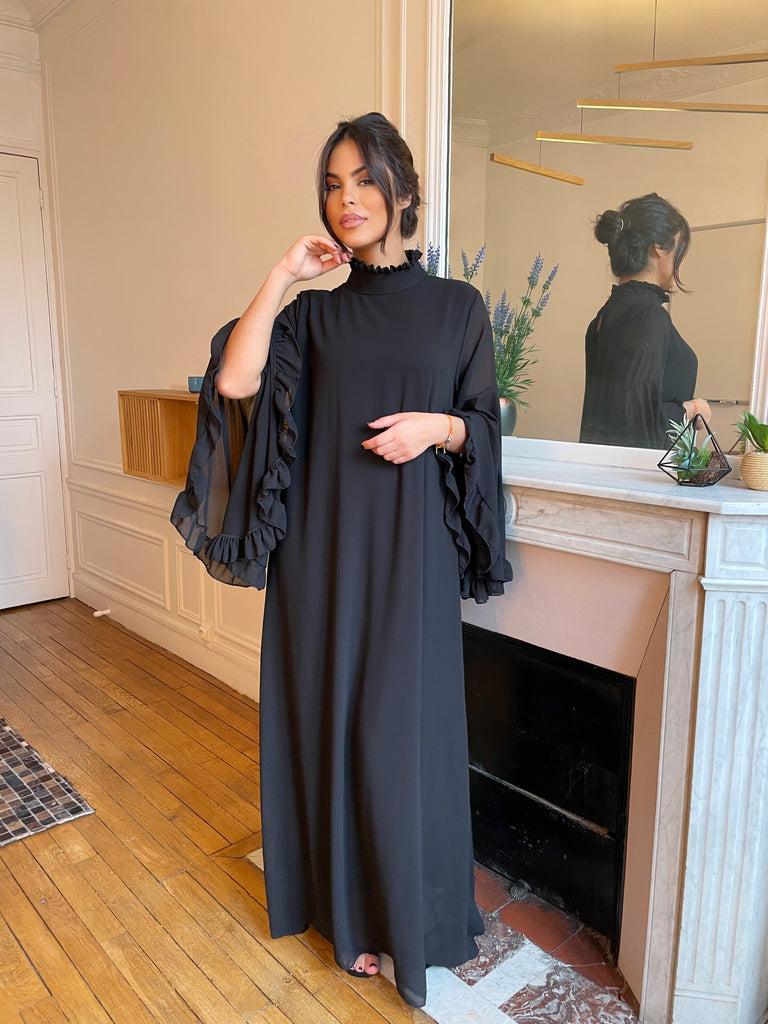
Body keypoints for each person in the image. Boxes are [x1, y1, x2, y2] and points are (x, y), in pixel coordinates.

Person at [171, 112, 512, 1007]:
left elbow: (483, 423)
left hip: (412, 558)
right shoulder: (313, 317)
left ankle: (415, 915)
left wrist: (437, 428)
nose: (346, 198)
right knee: (332, 724)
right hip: (320, 559)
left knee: (402, 736)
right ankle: (349, 917)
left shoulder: (459, 307)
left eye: (363, 179)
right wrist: (284, 274)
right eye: (332, 184)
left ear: (401, 188)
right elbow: (235, 383)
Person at [579, 192, 711, 448]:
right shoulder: (648, 316)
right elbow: (637, 427)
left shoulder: (604, 316)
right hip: (640, 471)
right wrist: (693, 410)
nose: (680, 263)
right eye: (679, 250)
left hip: (607, 468)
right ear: (659, 247)